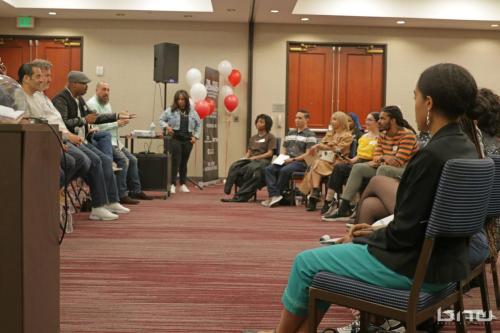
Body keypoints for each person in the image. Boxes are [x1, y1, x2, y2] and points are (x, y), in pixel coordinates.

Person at [249, 63, 481, 333]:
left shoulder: (431, 156)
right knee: (325, 267)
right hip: (446, 268)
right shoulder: (467, 150)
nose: (415, 103)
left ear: (428, 103)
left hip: (415, 270)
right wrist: (371, 231)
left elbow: (404, 235)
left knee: (306, 263)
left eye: (415, 96)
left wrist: (362, 237)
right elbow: (421, 224)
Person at [53, 71, 131, 220]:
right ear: (74, 83)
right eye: (84, 84)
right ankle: (98, 206)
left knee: (106, 160)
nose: (86, 88)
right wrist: (83, 120)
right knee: (95, 161)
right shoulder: (61, 99)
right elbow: (63, 124)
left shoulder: (79, 100)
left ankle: (111, 201)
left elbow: (94, 118)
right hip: (71, 140)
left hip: (83, 140)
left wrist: (116, 116)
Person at [323, 105, 417, 221]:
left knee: (383, 169)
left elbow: (398, 161)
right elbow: (376, 156)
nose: (379, 122)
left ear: (393, 120)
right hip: (384, 166)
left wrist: (382, 158)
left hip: (405, 170)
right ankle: (344, 208)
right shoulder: (382, 135)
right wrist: (384, 158)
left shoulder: (407, 135)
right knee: (358, 167)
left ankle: (372, 207)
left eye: (382, 119)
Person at [87, 81, 153, 202]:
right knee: (124, 160)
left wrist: (120, 122)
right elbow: (96, 127)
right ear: (96, 90)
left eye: (108, 90)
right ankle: (121, 195)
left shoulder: (106, 103)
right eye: (103, 89)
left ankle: (135, 191)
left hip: (114, 140)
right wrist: (116, 123)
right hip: (103, 141)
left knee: (133, 160)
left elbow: (110, 123)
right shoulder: (91, 105)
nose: (106, 92)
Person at [321, 112, 379, 216]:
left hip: (371, 163)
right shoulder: (364, 137)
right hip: (359, 162)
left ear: (377, 122)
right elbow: (359, 155)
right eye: (366, 119)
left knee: (351, 171)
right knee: (339, 167)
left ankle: (347, 206)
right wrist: (351, 160)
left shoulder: (380, 137)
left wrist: (368, 162)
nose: (367, 122)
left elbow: (377, 156)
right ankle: (328, 201)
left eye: (370, 120)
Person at [297, 111, 353, 211]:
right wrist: (325, 146)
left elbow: (338, 149)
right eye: (331, 119)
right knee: (315, 163)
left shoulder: (347, 135)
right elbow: (323, 144)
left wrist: (322, 146)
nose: (332, 122)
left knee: (314, 164)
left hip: (338, 162)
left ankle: (314, 195)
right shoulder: (330, 133)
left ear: (341, 121)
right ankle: (315, 192)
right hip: (326, 160)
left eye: (334, 119)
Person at [261, 110, 317, 207]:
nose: (297, 120)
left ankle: (275, 196)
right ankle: (274, 196)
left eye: (300, 118)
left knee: (284, 170)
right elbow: (285, 150)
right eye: (296, 118)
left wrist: (293, 160)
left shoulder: (310, 135)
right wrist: (281, 158)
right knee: (269, 169)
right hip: (287, 159)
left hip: (300, 162)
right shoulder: (290, 133)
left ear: (307, 119)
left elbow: (308, 154)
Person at [221, 114, 276, 202]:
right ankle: (228, 187)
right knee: (235, 166)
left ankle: (240, 196)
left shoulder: (270, 137)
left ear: (267, 124)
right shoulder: (253, 138)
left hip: (263, 161)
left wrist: (255, 157)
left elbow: (270, 153)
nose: (258, 123)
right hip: (251, 160)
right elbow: (249, 152)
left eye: (261, 122)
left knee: (253, 170)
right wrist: (244, 158)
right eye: (258, 121)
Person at [159, 89, 201, 194]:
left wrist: (195, 137)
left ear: (186, 100)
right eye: (178, 99)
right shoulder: (170, 110)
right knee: (175, 161)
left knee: (184, 162)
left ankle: (183, 184)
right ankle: (172, 184)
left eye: (182, 99)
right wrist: (167, 127)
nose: (180, 101)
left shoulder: (192, 111)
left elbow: (198, 125)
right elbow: (161, 120)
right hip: (175, 138)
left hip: (188, 140)